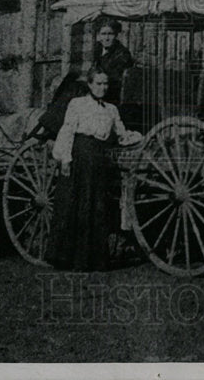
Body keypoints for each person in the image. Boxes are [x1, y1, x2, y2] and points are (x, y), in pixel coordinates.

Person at [45, 70, 142, 271]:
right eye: (98, 83)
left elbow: (121, 135)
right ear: (90, 85)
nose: (102, 88)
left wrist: (141, 138)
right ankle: (66, 258)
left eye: (105, 84)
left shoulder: (111, 110)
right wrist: (65, 159)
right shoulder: (77, 104)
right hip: (79, 156)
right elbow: (68, 130)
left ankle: (92, 260)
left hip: (99, 161)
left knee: (96, 207)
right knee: (74, 205)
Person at [90, 18, 135, 106]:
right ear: (98, 35)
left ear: (116, 35)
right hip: (97, 86)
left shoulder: (123, 54)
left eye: (110, 34)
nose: (106, 38)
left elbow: (115, 80)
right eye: (103, 34)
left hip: (111, 92)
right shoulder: (98, 48)